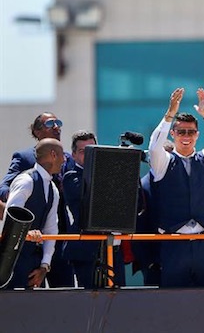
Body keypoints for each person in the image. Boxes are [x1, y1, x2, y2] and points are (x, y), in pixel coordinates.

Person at [148, 87, 204, 288]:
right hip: (174, 244)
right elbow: (154, 146)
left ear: (197, 134)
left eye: (191, 132)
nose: (186, 136)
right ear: (173, 134)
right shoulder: (163, 162)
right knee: (174, 301)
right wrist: (170, 113)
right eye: (181, 132)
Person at [0, 112, 75, 287]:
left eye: (58, 123)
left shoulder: (65, 165)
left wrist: (44, 265)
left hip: (56, 240)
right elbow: (5, 189)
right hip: (25, 248)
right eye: (50, 124)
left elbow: (52, 225)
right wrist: (21, 200)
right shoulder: (26, 166)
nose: (57, 127)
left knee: (65, 294)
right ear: (37, 131)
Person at [62, 130, 127, 288]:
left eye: (92, 149)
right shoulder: (71, 176)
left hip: (112, 247)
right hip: (86, 249)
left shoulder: (108, 175)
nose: (88, 155)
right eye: (83, 151)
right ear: (74, 155)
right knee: (89, 303)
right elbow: (91, 199)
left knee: (120, 299)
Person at [4, 138, 64, 288]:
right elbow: (10, 216)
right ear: (53, 155)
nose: (64, 160)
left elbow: (51, 229)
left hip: (35, 263)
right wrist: (28, 231)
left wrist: (44, 265)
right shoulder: (26, 181)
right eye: (62, 155)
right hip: (14, 261)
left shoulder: (53, 189)